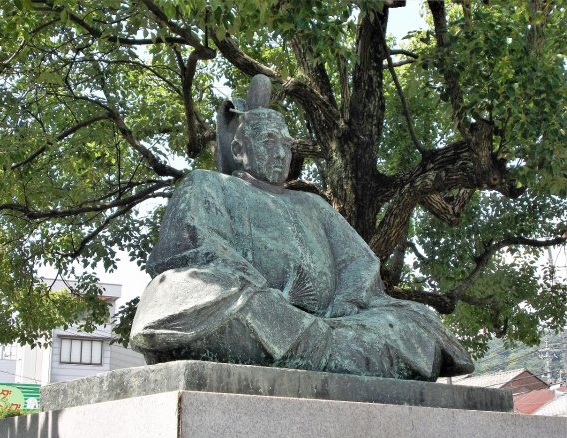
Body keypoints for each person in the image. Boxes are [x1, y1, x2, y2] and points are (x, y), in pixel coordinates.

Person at [130, 75, 474, 381]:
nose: (281, 153)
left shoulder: (312, 204)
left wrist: (345, 303)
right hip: (255, 304)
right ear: (239, 148)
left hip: (336, 323)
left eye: (286, 144)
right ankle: (324, 346)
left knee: (414, 319)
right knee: (180, 292)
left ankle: (318, 345)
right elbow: (198, 249)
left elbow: (359, 263)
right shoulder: (208, 185)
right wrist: (270, 295)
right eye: (268, 142)